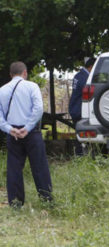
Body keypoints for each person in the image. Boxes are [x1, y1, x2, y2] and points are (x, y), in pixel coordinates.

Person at [0, 61, 52, 208]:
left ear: (10, 75)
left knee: (14, 168)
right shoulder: (32, 86)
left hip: (13, 133)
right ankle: (47, 200)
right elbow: (38, 109)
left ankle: (15, 203)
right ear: (25, 73)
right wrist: (27, 128)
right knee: (40, 166)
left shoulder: (2, 90)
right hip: (31, 132)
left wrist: (10, 129)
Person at [68, 57, 95, 155]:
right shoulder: (85, 78)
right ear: (91, 67)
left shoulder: (79, 75)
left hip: (75, 108)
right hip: (79, 109)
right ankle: (80, 155)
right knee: (81, 134)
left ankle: (80, 155)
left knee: (79, 133)